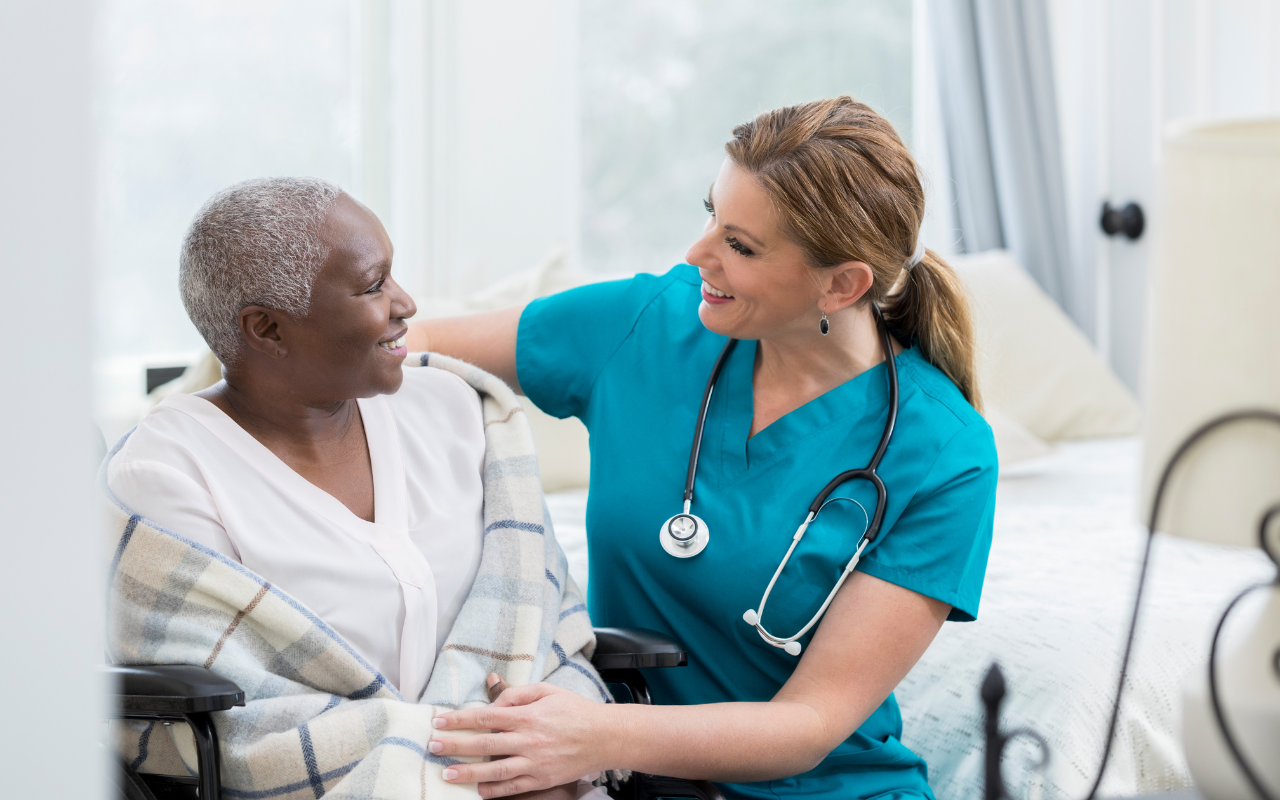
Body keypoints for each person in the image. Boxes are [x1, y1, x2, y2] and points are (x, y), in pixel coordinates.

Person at [408, 97, 999, 800]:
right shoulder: (648, 323)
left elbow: (810, 722)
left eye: (740, 245)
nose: (697, 254)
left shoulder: (945, 453)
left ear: (841, 285)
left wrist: (594, 733)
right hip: (619, 777)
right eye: (711, 213)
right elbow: (411, 348)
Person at [107, 177, 598, 799]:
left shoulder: (454, 408)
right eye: (373, 286)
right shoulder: (165, 473)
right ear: (267, 329)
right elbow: (243, 724)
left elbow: (546, 630)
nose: (406, 304)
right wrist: (474, 770)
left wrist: (540, 753)